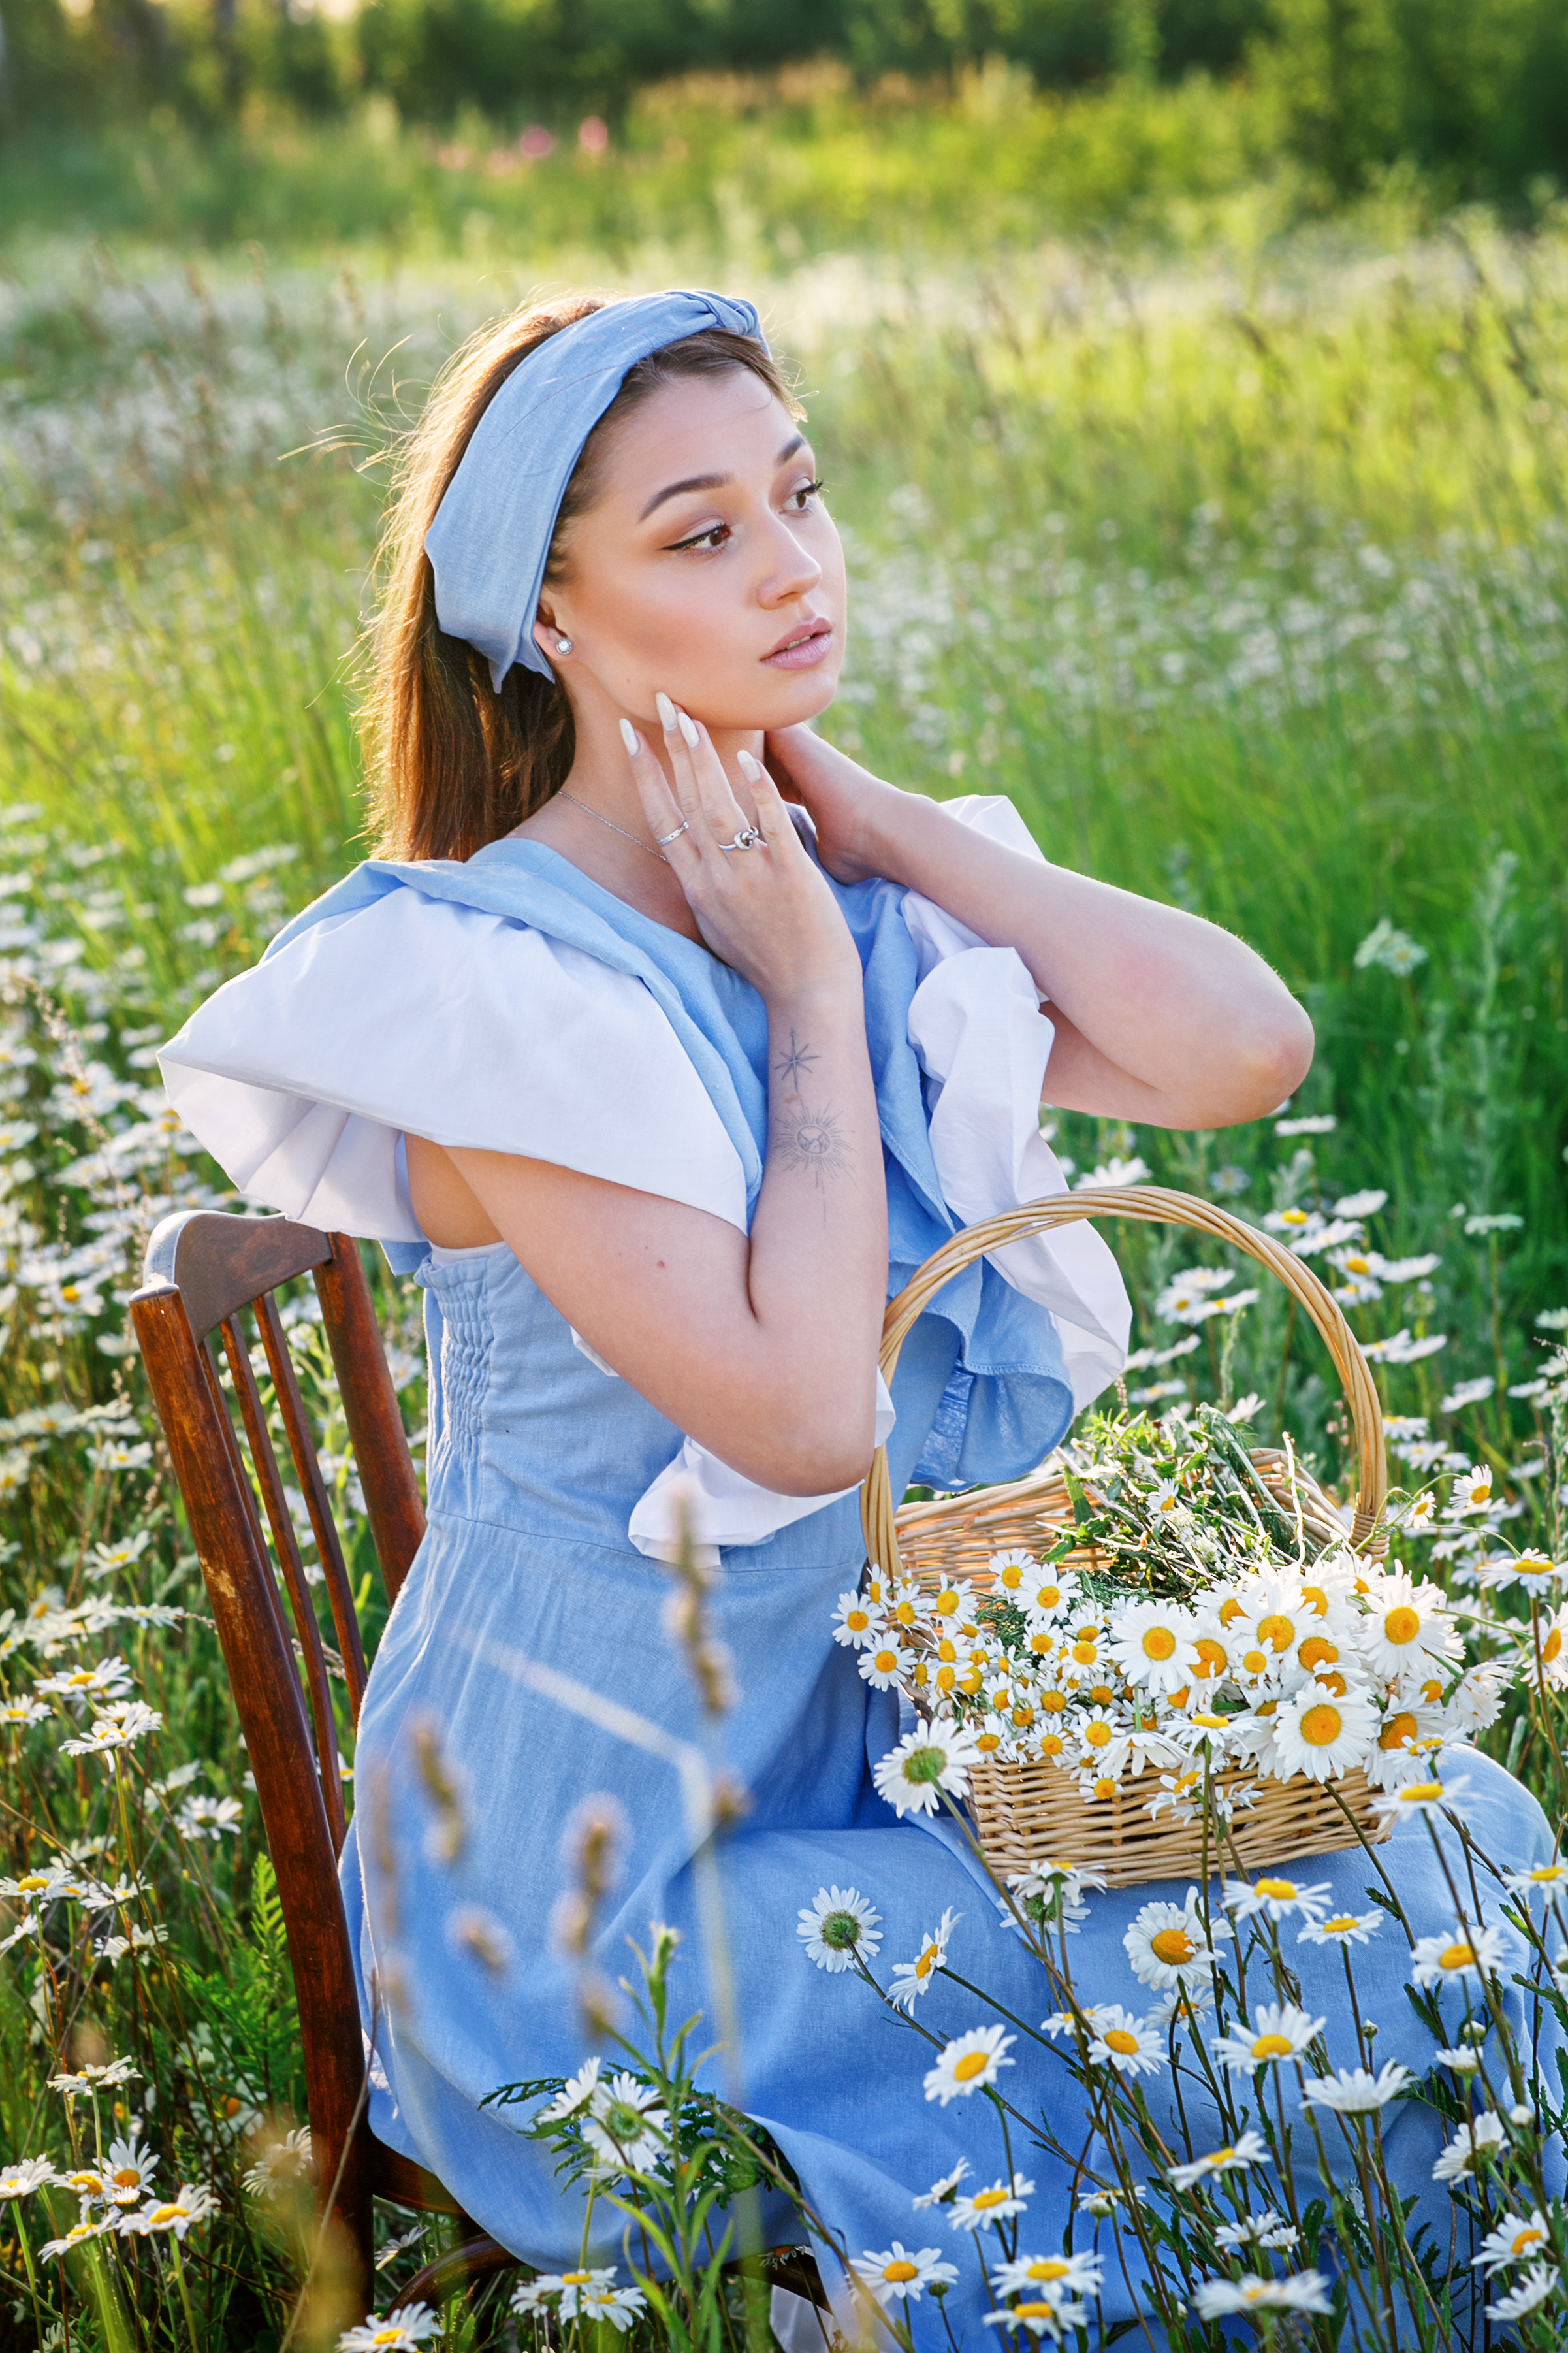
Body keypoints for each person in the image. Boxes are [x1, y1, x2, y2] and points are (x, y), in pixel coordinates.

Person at [160, 290, 1550, 2343]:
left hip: (864, 1761)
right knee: (1156, 2008)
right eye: (700, 533)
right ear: (551, 614)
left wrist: (869, 821)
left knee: (1421, 1855)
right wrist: (804, 988)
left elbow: (1239, 1048)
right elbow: (810, 1416)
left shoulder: (852, 876)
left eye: (800, 496)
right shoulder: (502, 982)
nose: (794, 566)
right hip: (588, 1869)